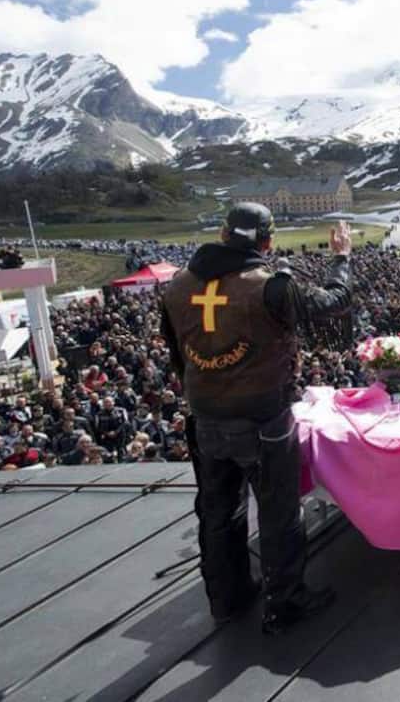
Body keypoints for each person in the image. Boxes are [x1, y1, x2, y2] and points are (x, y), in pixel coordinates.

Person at [160, 204, 352, 635]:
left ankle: (226, 600)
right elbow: (332, 304)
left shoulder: (176, 287)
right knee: (278, 512)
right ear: (267, 242)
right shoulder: (268, 288)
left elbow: (178, 354)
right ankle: (284, 603)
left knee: (218, 512)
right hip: (264, 418)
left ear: (222, 233)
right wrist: (341, 257)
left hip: (205, 416)